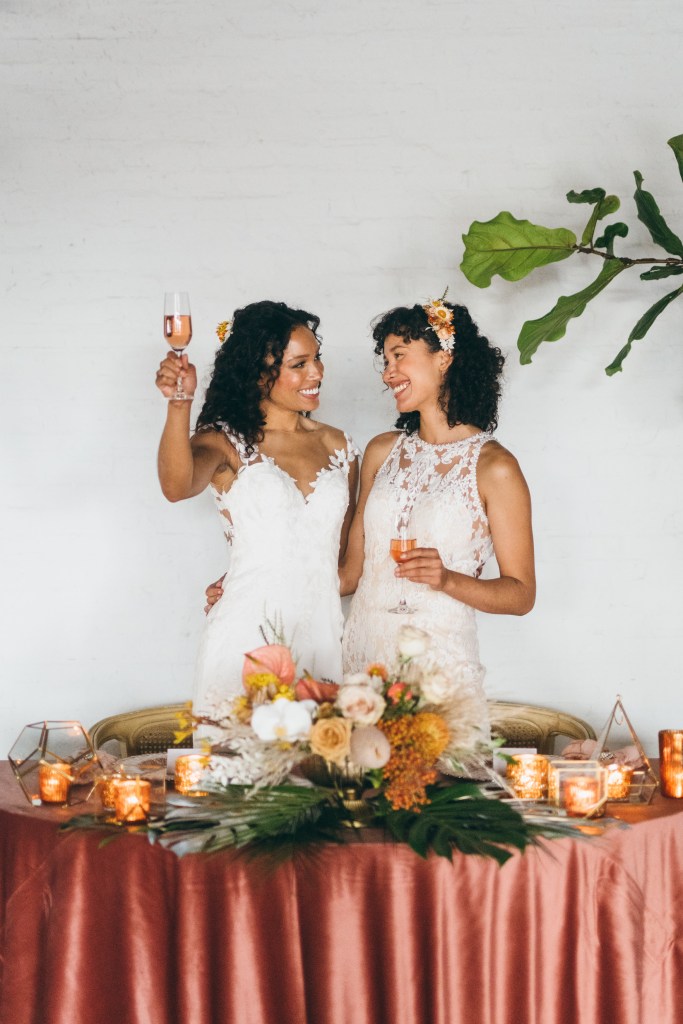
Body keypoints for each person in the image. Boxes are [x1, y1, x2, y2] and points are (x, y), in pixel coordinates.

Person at [339, 298, 535, 736]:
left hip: (440, 669)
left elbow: (521, 595)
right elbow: (349, 575)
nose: (388, 373)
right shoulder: (381, 451)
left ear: (444, 358)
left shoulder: (495, 467)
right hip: (363, 663)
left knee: (436, 779)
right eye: (385, 361)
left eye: (399, 356)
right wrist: (253, 585)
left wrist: (447, 579)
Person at [156, 299, 359, 718]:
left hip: (322, 642)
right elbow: (177, 487)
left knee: (321, 757)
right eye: (299, 364)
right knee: (236, 758)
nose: (317, 373)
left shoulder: (338, 445)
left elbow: (340, 567)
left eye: (317, 358)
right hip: (243, 640)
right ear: (259, 373)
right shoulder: (225, 442)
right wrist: (179, 404)